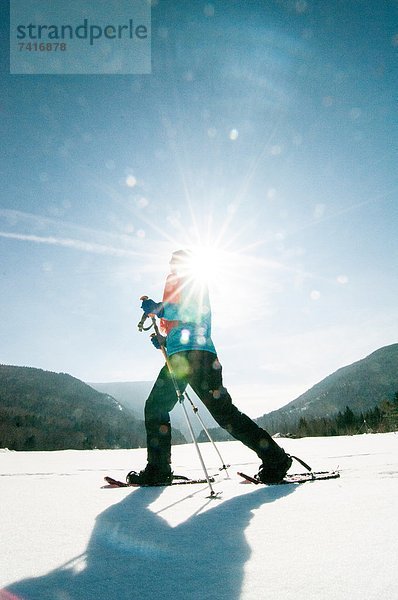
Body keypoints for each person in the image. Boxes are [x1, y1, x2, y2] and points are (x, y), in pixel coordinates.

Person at [127, 249, 292, 485]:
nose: (175, 268)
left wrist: (160, 309)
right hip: (189, 356)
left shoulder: (195, 283)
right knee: (210, 412)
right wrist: (164, 341)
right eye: (172, 264)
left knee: (173, 409)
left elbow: (193, 310)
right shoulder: (178, 288)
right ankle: (275, 458)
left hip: (193, 356)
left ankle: (159, 469)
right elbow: (182, 323)